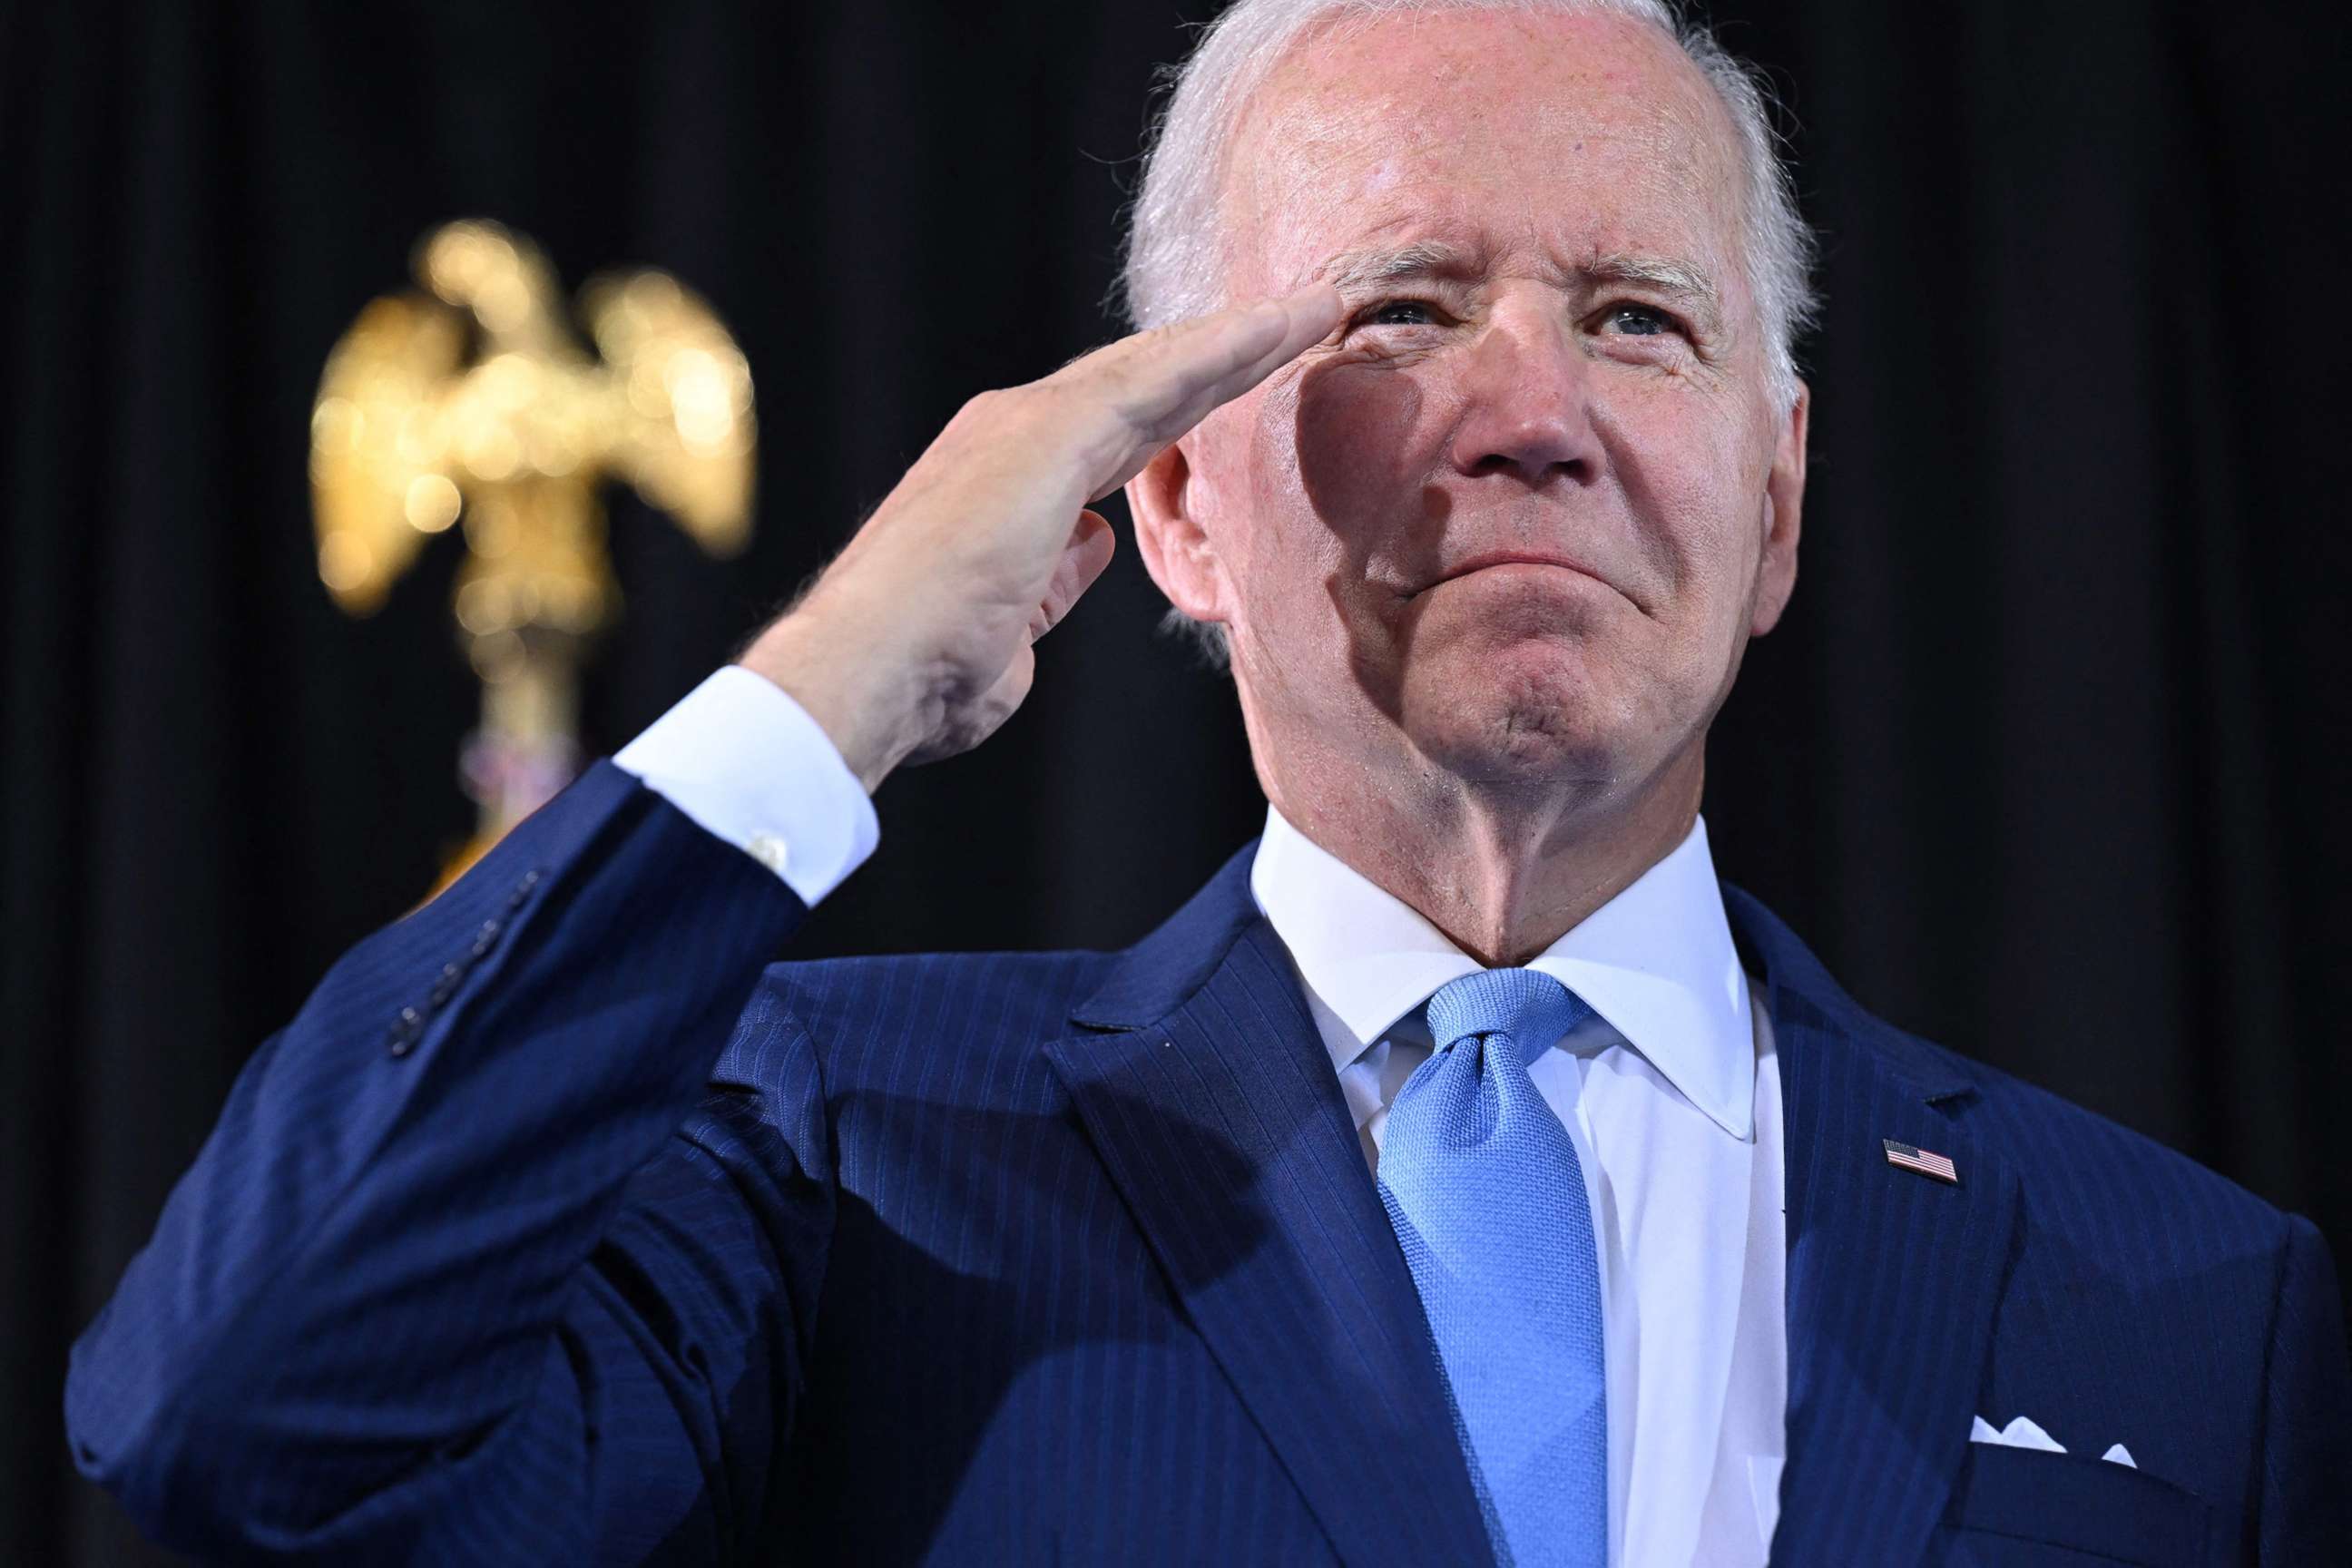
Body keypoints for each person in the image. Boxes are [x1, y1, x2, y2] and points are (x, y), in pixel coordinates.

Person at [64, 0, 2348, 1563]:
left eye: (1638, 316)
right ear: (1166, 501)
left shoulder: (2189, 1295)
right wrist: (826, 691)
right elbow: (246, 1430)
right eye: (1401, 311)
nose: (1532, 410)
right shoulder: (844, 1153)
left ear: (1776, 499)